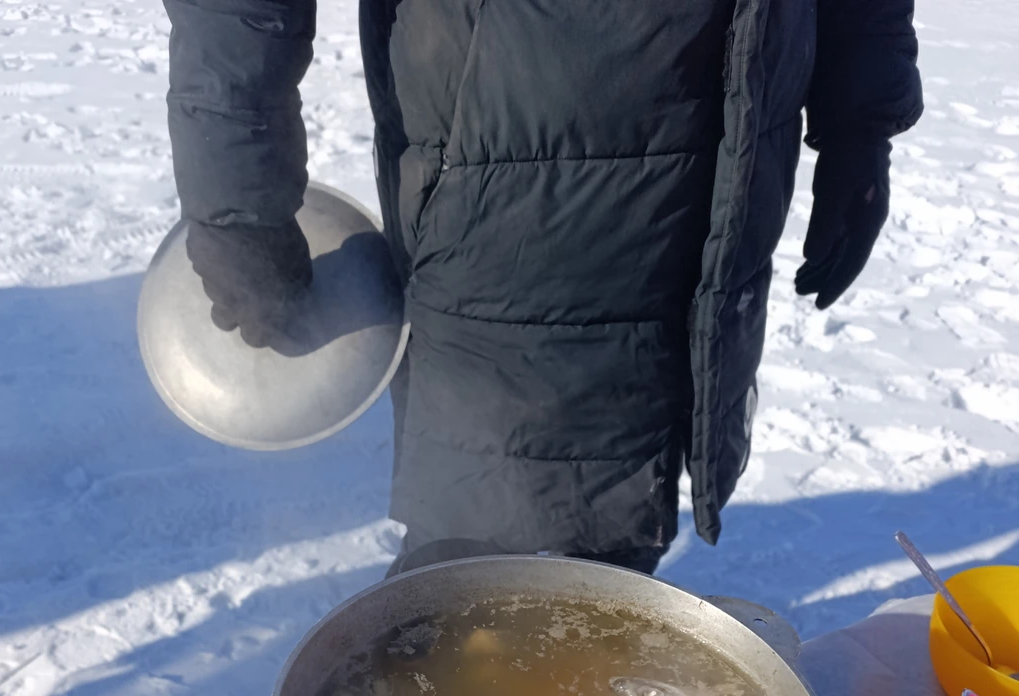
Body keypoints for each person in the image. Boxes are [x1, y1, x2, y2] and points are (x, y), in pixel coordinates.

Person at [165, 0, 922, 575]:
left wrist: (861, 118)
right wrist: (237, 198)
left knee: (613, 543)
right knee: (494, 558)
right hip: (515, 156)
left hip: (732, 156)